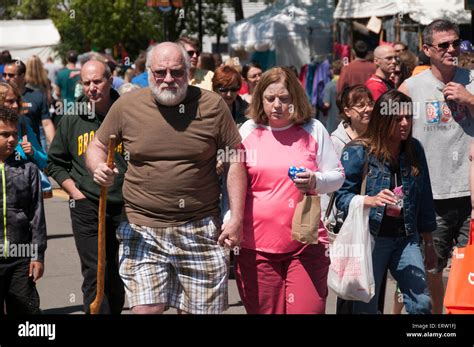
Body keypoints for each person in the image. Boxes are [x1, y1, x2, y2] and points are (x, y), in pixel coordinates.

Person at [85, 42, 246, 314]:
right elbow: (97, 146)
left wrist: (237, 217)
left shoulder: (213, 106)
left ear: (189, 70)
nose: (168, 79)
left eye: (177, 72)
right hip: (142, 227)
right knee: (146, 309)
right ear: (149, 71)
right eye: (160, 72)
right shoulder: (127, 106)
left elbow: (236, 159)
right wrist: (98, 166)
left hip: (200, 226)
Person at [234, 67, 345, 314]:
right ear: (259, 99)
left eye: (284, 99)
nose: (277, 105)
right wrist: (230, 221)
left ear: (295, 98)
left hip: (306, 243)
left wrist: (316, 180)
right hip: (256, 248)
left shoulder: (313, 129)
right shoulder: (247, 131)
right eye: (270, 98)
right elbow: (233, 184)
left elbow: (338, 177)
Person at [335, 90, 437, 314]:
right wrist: (369, 200)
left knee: (421, 302)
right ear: (383, 119)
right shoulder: (358, 151)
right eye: (397, 118)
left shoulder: (414, 149)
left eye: (408, 117)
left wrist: (429, 243)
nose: (405, 123)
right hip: (371, 238)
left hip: (406, 239)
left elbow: (425, 199)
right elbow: (341, 198)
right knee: (366, 308)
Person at [399, 19, 474, 314]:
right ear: (427, 49)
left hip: (470, 195)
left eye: (456, 42)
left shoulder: (472, 79)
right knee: (432, 268)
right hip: (432, 197)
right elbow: (390, 129)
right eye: (444, 45)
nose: (452, 49)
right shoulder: (411, 87)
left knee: (470, 267)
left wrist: (470, 99)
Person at [47, 59, 126, 314]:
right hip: (87, 205)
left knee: (117, 270)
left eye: (98, 81)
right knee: (95, 270)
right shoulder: (72, 117)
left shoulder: (125, 111)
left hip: (124, 206)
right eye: (86, 82)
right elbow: (55, 162)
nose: (92, 87)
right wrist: (75, 192)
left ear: (110, 79)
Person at [0, 105, 46, 315]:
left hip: (21, 258)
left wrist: (37, 256)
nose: (11, 140)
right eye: (4, 134)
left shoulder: (28, 169)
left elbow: (36, 215)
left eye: (14, 134)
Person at [3, 60, 55, 147]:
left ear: (22, 76)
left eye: (11, 75)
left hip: (32, 150)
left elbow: (47, 124)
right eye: (4, 75)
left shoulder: (37, 96)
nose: (7, 78)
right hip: (6, 151)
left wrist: (55, 148)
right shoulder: (1, 97)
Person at [322, 59, 343, 133]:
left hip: (332, 122)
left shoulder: (329, 85)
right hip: (344, 121)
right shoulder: (346, 84)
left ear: (333, 70)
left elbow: (326, 104)